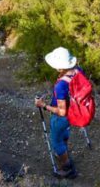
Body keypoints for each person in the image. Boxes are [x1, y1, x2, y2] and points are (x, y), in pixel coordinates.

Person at [34, 47, 80, 179]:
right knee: (63, 135)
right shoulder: (78, 71)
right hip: (74, 112)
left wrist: (43, 105)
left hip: (63, 117)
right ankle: (64, 151)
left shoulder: (60, 85)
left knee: (56, 142)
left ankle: (68, 169)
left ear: (60, 68)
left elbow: (61, 111)